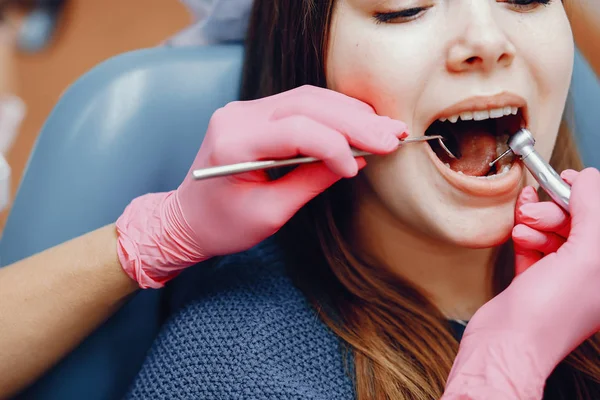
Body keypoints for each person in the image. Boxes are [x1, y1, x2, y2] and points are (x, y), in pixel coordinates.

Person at [1, 0, 600, 398]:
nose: (487, 40)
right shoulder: (232, 372)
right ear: (309, 67)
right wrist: (506, 363)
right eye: (404, 5)